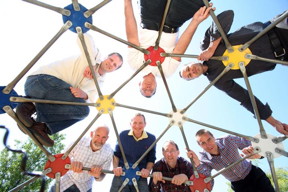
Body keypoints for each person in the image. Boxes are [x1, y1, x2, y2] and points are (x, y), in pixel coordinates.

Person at [179, 10, 288, 135]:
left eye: (188, 69)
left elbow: (227, 15)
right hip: (283, 56)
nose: (191, 71)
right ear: (195, 78)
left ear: (190, 62)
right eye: (190, 75)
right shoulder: (217, 80)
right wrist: (275, 123)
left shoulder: (205, 45)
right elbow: (246, 99)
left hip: (278, 28)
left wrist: (211, 48)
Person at [16, 33, 123, 146]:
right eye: (111, 60)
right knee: (76, 100)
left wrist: (84, 95)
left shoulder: (99, 84)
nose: (111, 64)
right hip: (39, 82)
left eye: (115, 65)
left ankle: (41, 127)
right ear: (105, 57)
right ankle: (29, 106)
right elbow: (84, 35)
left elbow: (91, 100)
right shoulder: (93, 55)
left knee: (83, 111)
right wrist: (91, 63)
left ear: (114, 70)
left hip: (51, 96)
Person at [124, 0, 213, 97]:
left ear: (139, 84)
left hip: (149, 16)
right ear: (156, 86)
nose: (148, 88)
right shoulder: (166, 72)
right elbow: (179, 50)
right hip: (174, 22)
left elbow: (132, 36)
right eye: (151, 90)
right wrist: (195, 21)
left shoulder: (134, 64)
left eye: (144, 90)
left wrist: (127, 2)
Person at [187, 129, 275, 192]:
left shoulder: (228, 139)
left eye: (209, 139)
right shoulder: (203, 157)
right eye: (203, 143)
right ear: (200, 146)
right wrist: (197, 163)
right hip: (239, 185)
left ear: (213, 137)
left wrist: (255, 153)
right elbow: (206, 177)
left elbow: (253, 145)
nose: (208, 144)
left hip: (253, 174)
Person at [49, 126, 113, 192]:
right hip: (64, 182)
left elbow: (102, 177)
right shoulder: (80, 141)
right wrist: (71, 165)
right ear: (91, 134)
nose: (100, 140)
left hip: (84, 188)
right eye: (97, 135)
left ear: (107, 138)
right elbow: (60, 161)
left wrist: (97, 175)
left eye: (103, 137)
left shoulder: (109, 152)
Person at [110, 113, 156, 192]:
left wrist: (148, 170)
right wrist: (115, 168)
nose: (137, 126)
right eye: (135, 123)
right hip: (121, 173)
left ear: (145, 124)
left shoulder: (151, 139)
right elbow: (117, 154)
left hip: (141, 176)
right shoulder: (123, 135)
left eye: (140, 123)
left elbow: (151, 159)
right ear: (130, 124)